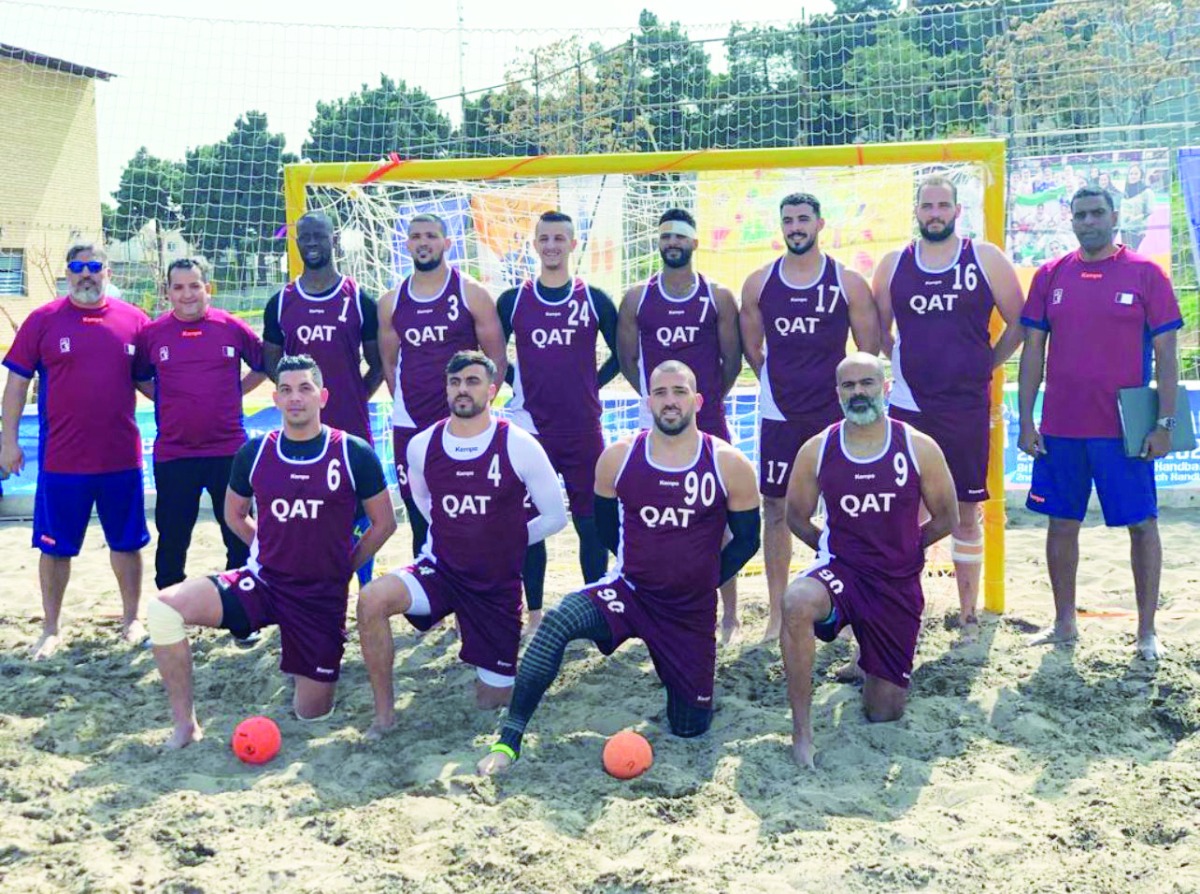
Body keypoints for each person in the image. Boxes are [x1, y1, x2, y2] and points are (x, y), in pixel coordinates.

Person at [476, 360, 761, 775]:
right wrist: (641, 570)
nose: (670, 401)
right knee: (558, 621)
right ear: (648, 402)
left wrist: (703, 581)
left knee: (690, 728)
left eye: (679, 392)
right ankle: (508, 740)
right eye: (660, 393)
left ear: (697, 401)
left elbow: (748, 540)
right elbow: (605, 529)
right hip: (630, 592)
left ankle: (679, 680)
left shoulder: (729, 463)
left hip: (689, 611)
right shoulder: (618, 458)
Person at [144, 354, 396, 748]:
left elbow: (385, 524)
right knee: (163, 609)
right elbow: (234, 513)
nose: (295, 398)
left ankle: (302, 665)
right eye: (285, 390)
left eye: (304, 389)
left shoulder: (352, 451)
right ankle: (185, 725)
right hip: (264, 582)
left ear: (322, 397)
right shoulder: (255, 451)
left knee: (311, 714)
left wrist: (345, 566)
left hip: (319, 598)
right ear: (275, 399)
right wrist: (267, 548)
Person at [356, 351, 567, 736]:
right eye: (455, 382)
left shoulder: (519, 444)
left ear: (491, 389)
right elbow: (424, 504)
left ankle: (493, 664)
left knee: (492, 702)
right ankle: (384, 717)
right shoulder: (422, 445)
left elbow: (555, 516)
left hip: (494, 587)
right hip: (441, 570)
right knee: (371, 599)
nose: (462, 390)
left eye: (471, 381)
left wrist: (503, 543)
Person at [1018, 186, 1182, 661]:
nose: (1088, 221)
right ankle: (1064, 623)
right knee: (1060, 523)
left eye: (1096, 213)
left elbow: (1168, 355)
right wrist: (1027, 421)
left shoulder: (1146, 274)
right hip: (1062, 428)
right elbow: (1033, 352)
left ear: (1114, 217)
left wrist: (1165, 423)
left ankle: (1146, 632)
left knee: (1141, 525)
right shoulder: (1050, 275)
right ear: (1070, 221)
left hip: (1124, 430)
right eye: (1080, 215)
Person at [779, 353, 958, 769]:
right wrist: (831, 548)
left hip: (895, 584)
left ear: (886, 388)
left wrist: (909, 549)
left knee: (884, 712)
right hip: (843, 572)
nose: (858, 392)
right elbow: (795, 516)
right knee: (796, 602)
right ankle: (802, 731)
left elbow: (948, 517)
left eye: (867, 384)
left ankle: (867, 661)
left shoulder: (918, 447)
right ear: (837, 393)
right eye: (849, 386)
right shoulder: (817, 449)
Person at [871, 175, 1025, 642]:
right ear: (916, 212)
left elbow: (1021, 321)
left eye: (943, 205)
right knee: (904, 509)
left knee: (965, 511)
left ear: (958, 211)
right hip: (910, 402)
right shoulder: (895, 263)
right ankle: (904, 603)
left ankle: (967, 613)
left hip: (965, 405)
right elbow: (879, 330)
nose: (934, 213)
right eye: (927, 206)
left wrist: (987, 363)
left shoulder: (985, 258)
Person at [739, 192, 881, 642]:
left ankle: (852, 601)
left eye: (803, 219)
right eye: (788, 220)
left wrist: (843, 394)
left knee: (849, 507)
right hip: (780, 410)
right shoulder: (759, 283)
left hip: (833, 412)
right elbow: (753, 348)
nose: (795, 227)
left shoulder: (848, 282)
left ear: (820, 224)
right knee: (776, 508)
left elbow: (867, 354)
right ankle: (779, 612)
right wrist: (776, 382)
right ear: (780, 227)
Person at [0, 243, 150, 660]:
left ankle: (131, 619)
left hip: (121, 457)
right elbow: (15, 384)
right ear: (67, 273)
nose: (86, 274)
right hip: (62, 461)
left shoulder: (134, 321)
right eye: (78, 267)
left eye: (94, 267)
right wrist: (7, 440)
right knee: (54, 547)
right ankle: (50, 628)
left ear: (108, 271)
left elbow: (152, 383)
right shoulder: (43, 320)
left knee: (127, 543)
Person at [617, 208, 744, 642]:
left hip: (709, 419)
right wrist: (659, 403)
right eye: (665, 235)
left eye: (680, 236)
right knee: (654, 516)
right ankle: (651, 605)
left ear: (694, 242)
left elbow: (732, 361)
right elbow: (627, 361)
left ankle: (729, 614)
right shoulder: (637, 297)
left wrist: (703, 402)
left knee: (721, 522)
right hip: (658, 421)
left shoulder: (718, 296)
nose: (672, 242)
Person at [498, 210, 620, 636]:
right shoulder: (513, 300)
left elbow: (622, 354)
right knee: (529, 525)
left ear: (572, 244)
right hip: (531, 429)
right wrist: (519, 383)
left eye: (559, 238)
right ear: (535, 245)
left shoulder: (595, 299)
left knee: (591, 522)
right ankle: (533, 614)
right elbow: (495, 358)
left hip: (584, 429)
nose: (551, 245)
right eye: (544, 238)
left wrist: (592, 385)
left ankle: (591, 609)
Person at [264, 211, 385, 587]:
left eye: (320, 236)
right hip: (302, 431)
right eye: (305, 238)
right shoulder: (281, 302)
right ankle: (313, 589)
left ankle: (365, 589)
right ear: (297, 243)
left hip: (351, 425)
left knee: (361, 511)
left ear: (334, 241)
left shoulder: (358, 299)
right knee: (310, 511)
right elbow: (273, 364)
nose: (312, 243)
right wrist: (301, 400)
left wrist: (352, 395)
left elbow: (377, 363)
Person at [379, 214, 508, 557]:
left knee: (472, 508)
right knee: (419, 512)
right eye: (416, 236)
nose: (424, 242)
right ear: (407, 244)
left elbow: (496, 359)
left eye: (432, 236)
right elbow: (389, 363)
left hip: (462, 422)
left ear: (447, 243)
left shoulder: (472, 293)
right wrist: (405, 402)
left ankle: (479, 585)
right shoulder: (391, 301)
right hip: (410, 423)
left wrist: (478, 413)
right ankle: (430, 599)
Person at [135, 257, 266, 590]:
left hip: (228, 451)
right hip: (174, 454)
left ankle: (240, 609)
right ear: (168, 293)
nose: (187, 294)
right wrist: (170, 399)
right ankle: (170, 612)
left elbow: (263, 365)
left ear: (208, 289)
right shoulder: (152, 334)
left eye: (194, 286)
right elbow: (140, 378)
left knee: (237, 532)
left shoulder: (231, 327)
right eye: (178, 287)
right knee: (173, 536)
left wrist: (234, 392)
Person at [1118, 163, 1155, 253]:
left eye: (1136, 174)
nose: (1133, 176)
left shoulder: (1147, 192)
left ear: (1141, 176)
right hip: (1124, 228)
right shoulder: (1125, 190)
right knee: (1126, 254)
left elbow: (1149, 211)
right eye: (1131, 174)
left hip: (1137, 229)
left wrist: (1135, 218)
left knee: (1131, 253)